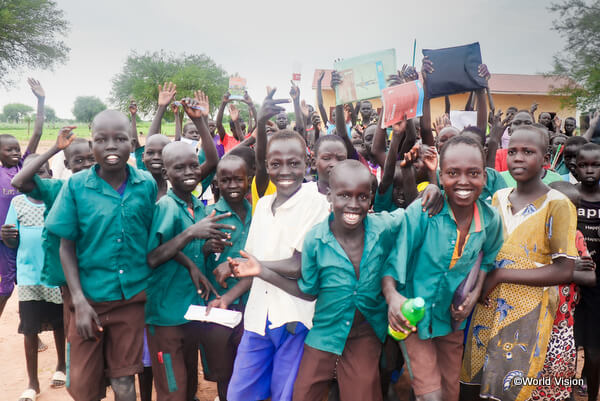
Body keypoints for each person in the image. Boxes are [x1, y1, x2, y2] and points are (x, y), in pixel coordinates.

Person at [44, 109, 158, 401]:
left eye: (120, 139)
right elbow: (65, 246)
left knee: (123, 380)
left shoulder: (145, 185)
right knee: (83, 387)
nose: (110, 146)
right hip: (89, 301)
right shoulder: (76, 187)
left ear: (132, 144)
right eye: (101, 139)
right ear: (92, 145)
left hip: (131, 299)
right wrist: (79, 301)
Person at [225, 89, 331, 401]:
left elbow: (300, 266)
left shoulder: (318, 202)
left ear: (307, 162)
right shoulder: (263, 204)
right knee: (240, 394)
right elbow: (252, 263)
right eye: (276, 163)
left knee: (285, 394)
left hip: (294, 319)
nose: (285, 171)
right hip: (258, 316)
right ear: (266, 167)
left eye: (293, 163)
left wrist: (258, 267)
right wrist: (230, 292)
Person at [461, 126, 577, 401]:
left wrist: (501, 275)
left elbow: (564, 269)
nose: (518, 158)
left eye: (528, 152)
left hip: (527, 312)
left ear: (546, 158)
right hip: (488, 307)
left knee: (508, 389)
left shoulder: (557, 204)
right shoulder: (499, 198)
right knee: (472, 385)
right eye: (512, 151)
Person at [384, 135, 503, 401]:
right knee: (431, 395)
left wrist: (475, 292)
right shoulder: (424, 211)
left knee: (451, 392)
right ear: (440, 174)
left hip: (451, 321)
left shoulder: (491, 219)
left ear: (485, 176)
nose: (463, 181)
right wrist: (392, 297)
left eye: (473, 173)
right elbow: (394, 261)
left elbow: (488, 257)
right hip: (414, 319)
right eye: (452, 173)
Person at [289, 160, 404, 401]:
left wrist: (432, 188)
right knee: (304, 392)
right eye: (343, 196)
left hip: (365, 334)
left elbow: (413, 215)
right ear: (329, 196)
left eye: (362, 197)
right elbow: (309, 289)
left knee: (363, 393)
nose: (353, 205)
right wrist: (262, 271)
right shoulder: (315, 240)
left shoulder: (382, 227)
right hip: (326, 331)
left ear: (371, 197)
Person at [145, 138, 233, 401]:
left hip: (191, 311)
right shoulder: (165, 206)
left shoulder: (197, 207)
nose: (189, 173)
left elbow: (184, 253)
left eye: (193, 166)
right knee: (173, 387)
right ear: (166, 173)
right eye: (179, 168)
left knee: (189, 384)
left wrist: (206, 248)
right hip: (166, 316)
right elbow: (152, 257)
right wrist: (192, 233)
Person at [2, 155, 66, 401]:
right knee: (29, 329)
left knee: (60, 324)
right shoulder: (17, 203)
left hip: (55, 274)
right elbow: (11, 238)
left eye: (44, 173)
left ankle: (61, 365)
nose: (40, 178)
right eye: (33, 174)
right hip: (28, 275)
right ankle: (32, 382)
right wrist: (7, 235)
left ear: (52, 176)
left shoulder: (59, 201)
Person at [201, 154, 253, 401]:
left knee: (249, 371)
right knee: (224, 373)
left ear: (248, 180)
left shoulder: (260, 215)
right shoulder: (209, 216)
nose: (233, 186)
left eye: (238, 180)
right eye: (226, 180)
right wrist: (203, 250)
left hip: (253, 306)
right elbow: (195, 263)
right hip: (220, 306)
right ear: (217, 183)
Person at [0, 78, 44, 318]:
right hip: (4, 241)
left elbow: (37, 132)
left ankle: (32, 330)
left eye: (17, 148)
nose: (16, 152)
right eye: (9, 149)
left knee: (29, 285)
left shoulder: (24, 168)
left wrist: (41, 100)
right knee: (4, 290)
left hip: (26, 239)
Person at [573, 142, 600, 401]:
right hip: (568, 282)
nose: (589, 170)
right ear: (575, 167)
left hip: (596, 288)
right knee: (568, 346)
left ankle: (592, 396)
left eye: (595, 165)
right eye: (583, 165)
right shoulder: (568, 196)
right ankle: (565, 391)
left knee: (593, 352)